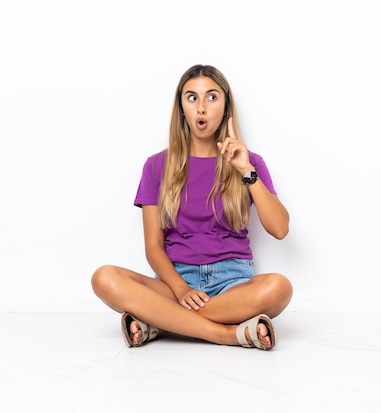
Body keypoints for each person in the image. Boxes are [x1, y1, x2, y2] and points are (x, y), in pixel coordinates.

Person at [91, 64, 293, 350]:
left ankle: (160, 322)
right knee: (105, 278)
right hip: (174, 282)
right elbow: (153, 247)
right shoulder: (156, 165)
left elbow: (280, 228)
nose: (201, 108)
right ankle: (227, 333)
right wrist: (181, 289)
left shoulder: (251, 163)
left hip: (232, 282)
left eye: (212, 97)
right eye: (192, 97)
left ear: (225, 107)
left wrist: (245, 169)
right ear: (181, 107)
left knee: (279, 288)